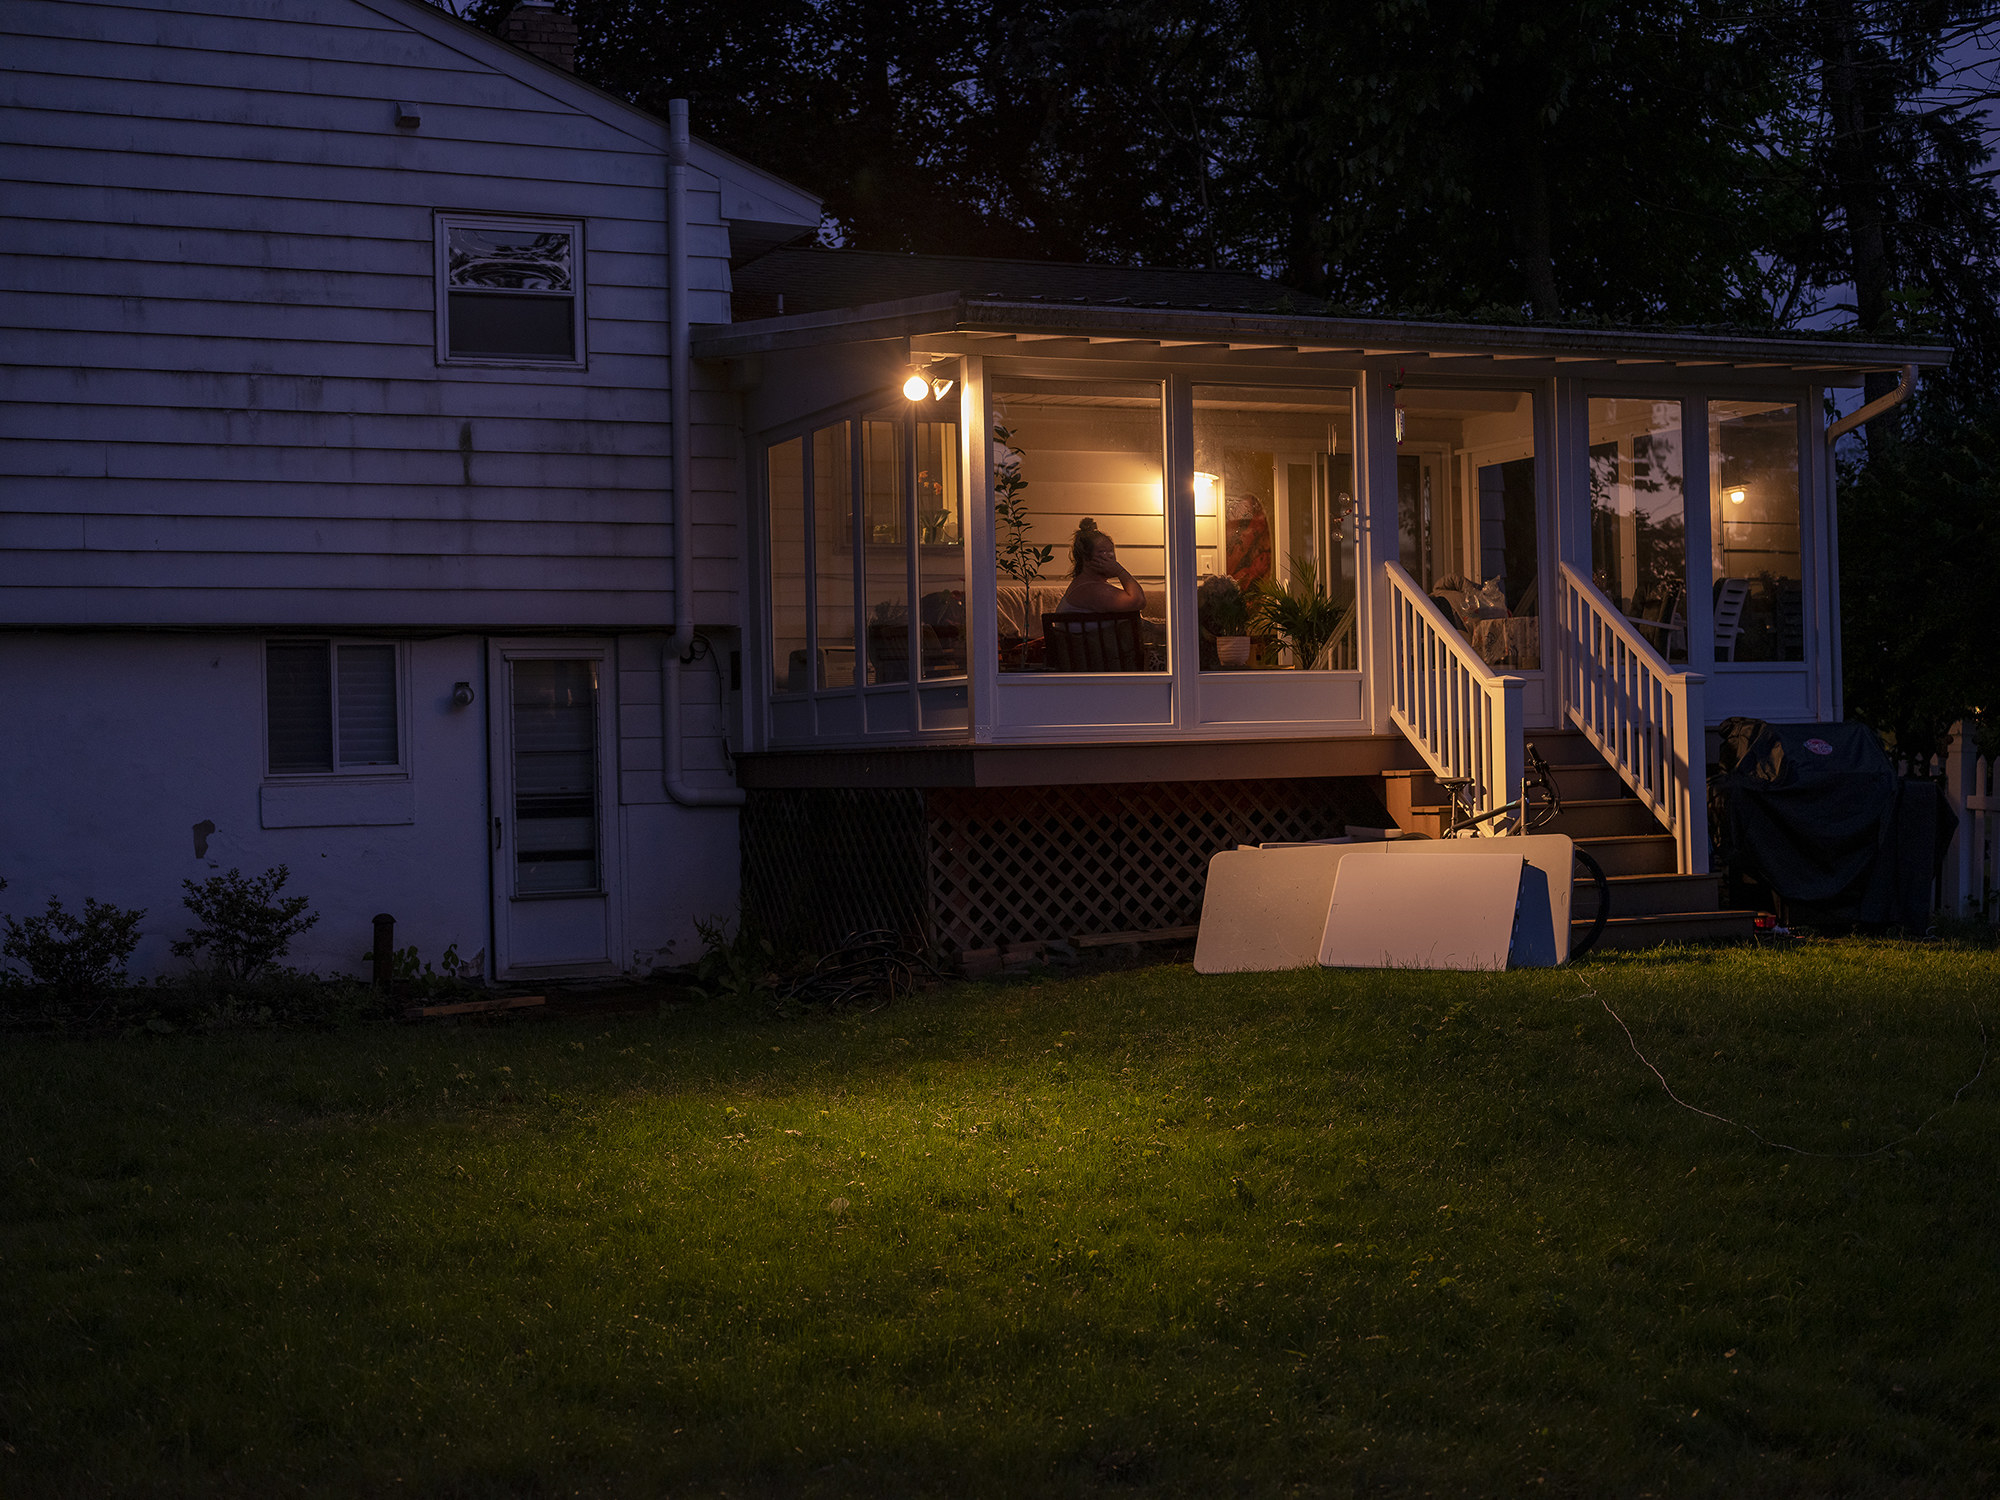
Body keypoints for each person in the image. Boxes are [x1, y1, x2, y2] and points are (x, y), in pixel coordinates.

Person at [1056, 518, 1146, 614]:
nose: (1111, 556)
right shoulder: (1090, 590)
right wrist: (1120, 571)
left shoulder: (1088, 584)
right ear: (1086, 558)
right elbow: (1138, 601)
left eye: (1111, 550)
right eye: (1103, 551)